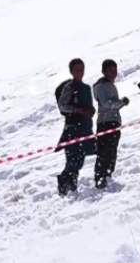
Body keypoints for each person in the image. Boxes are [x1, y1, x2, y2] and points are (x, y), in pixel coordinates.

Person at [55, 58, 96, 197]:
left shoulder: (86, 88)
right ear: (71, 72)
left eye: (82, 69)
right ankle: (65, 186)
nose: (80, 72)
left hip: (85, 128)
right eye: (77, 69)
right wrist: (78, 110)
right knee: (73, 160)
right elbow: (62, 106)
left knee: (79, 159)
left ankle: (71, 187)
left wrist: (91, 111)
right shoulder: (69, 87)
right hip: (72, 129)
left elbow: (89, 106)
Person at [92, 59, 129, 188]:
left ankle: (106, 175)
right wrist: (121, 103)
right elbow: (107, 104)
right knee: (105, 151)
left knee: (111, 150)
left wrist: (120, 103)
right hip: (106, 122)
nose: (114, 73)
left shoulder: (107, 85)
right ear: (104, 71)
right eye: (110, 70)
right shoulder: (103, 86)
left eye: (115, 70)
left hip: (111, 121)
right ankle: (101, 177)